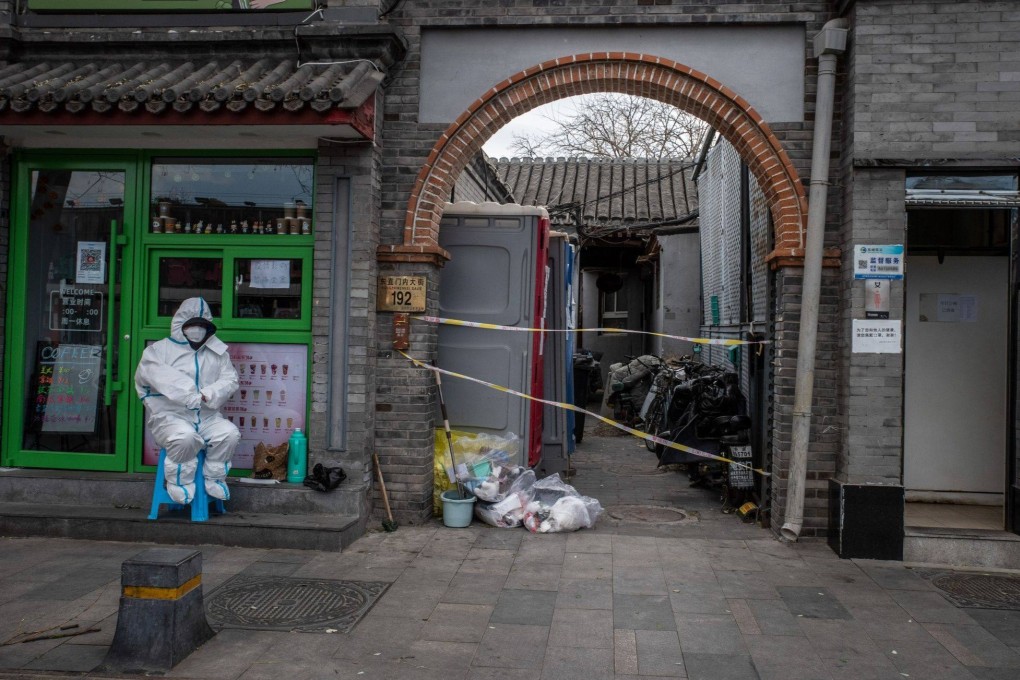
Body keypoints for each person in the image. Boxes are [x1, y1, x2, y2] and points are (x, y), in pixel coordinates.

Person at [135, 297, 240, 504]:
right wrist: (190, 394)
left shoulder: (218, 353)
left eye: (202, 325)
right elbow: (157, 376)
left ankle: (215, 478)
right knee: (185, 438)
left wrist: (208, 393)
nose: (197, 329)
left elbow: (230, 379)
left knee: (229, 434)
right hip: (170, 417)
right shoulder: (159, 350)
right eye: (192, 324)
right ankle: (178, 483)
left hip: (208, 416)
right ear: (180, 324)